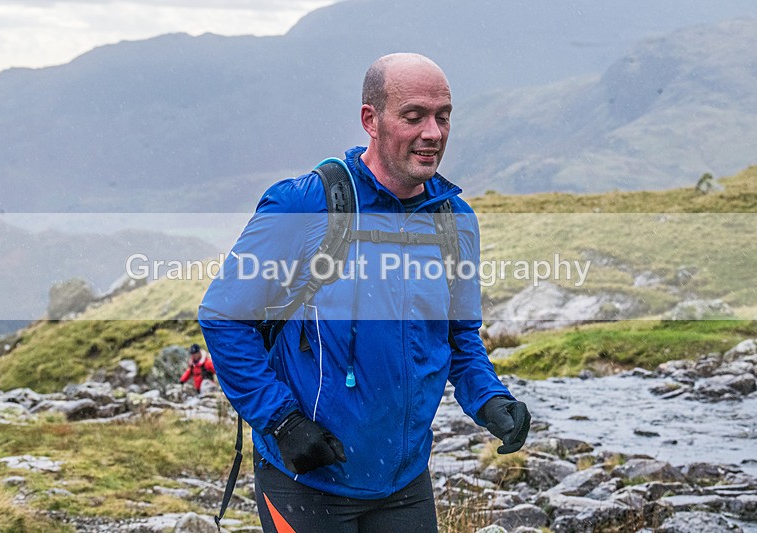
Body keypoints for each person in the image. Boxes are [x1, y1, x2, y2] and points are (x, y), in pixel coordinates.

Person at [199, 53, 530, 532]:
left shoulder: (454, 221)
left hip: (403, 483)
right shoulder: (306, 204)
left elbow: (459, 337)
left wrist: (489, 400)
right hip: (306, 481)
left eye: (443, 116)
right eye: (413, 116)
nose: (433, 132)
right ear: (370, 120)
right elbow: (223, 317)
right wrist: (282, 422)